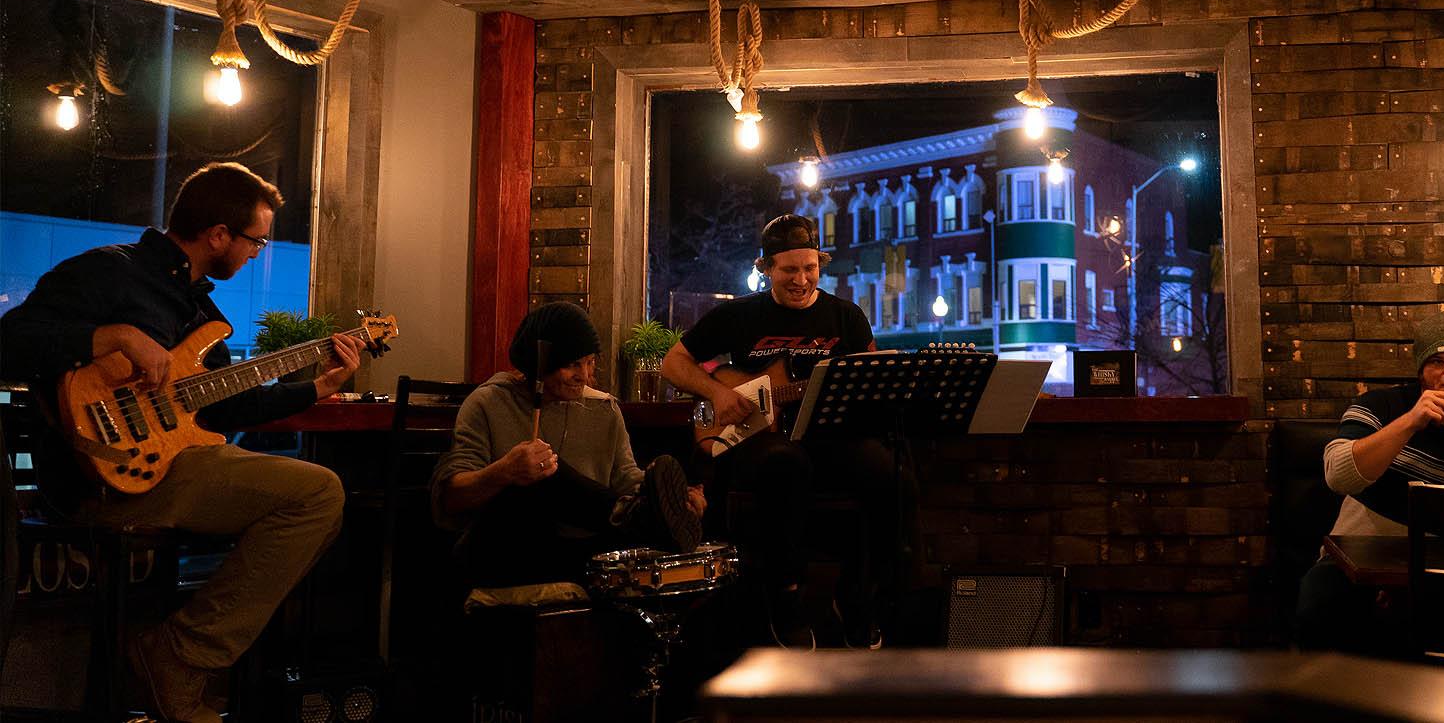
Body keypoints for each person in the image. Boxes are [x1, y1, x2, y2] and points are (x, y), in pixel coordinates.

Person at [0, 162, 366, 723]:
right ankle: (177, 658)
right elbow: (11, 343)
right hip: (96, 476)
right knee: (316, 495)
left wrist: (316, 387)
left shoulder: (202, 312)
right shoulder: (107, 273)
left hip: (171, 465)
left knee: (316, 498)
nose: (257, 253)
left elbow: (227, 405)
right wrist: (114, 335)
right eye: (256, 240)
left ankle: (181, 659)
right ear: (218, 234)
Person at [662, 213, 908, 650]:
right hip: (759, 441)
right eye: (789, 270)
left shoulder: (846, 318)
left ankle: (858, 598)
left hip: (829, 438)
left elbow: (871, 374)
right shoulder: (739, 315)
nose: (801, 280)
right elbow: (673, 363)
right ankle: (786, 597)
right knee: (785, 462)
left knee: (889, 471)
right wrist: (717, 393)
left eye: (810, 268)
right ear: (765, 268)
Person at [1294, 311, 1444, 652]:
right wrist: (1410, 421)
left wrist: (1409, 585)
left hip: (1443, 573)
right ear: (1421, 369)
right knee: (1319, 598)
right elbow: (1338, 476)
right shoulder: (1378, 406)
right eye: (1438, 361)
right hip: (1353, 564)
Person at [432, 302, 703, 589]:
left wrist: (675, 500)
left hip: (582, 552)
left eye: (589, 362)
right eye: (573, 364)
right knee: (540, 478)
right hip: (503, 551)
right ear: (541, 362)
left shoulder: (604, 410)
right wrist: (504, 472)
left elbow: (626, 477)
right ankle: (639, 518)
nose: (584, 375)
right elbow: (450, 497)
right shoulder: (488, 403)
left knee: (636, 531)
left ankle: (645, 516)